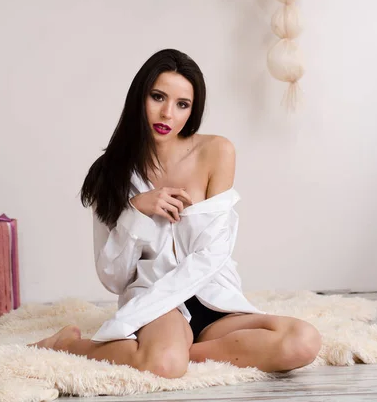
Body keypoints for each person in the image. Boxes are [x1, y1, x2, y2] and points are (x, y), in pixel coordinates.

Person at [30, 49, 322, 378]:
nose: (168, 113)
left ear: (192, 110)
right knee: (164, 365)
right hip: (158, 305)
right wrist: (135, 212)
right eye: (158, 97)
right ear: (140, 98)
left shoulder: (216, 152)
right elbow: (113, 278)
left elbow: (214, 251)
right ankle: (66, 345)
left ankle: (175, 353)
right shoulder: (109, 174)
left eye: (182, 104)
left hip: (215, 298)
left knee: (303, 341)